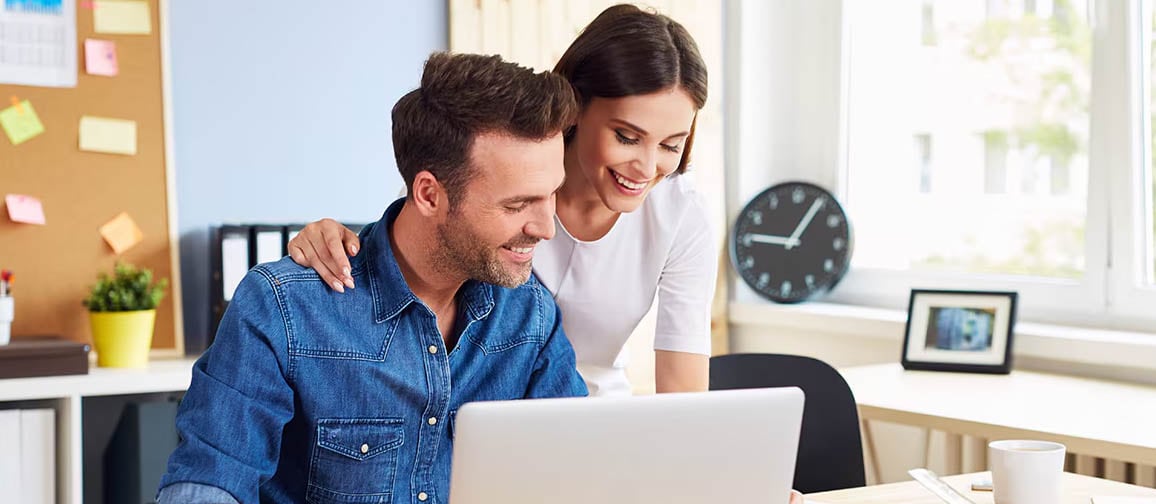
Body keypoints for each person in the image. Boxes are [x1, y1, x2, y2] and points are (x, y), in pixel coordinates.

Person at [156, 52, 587, 504]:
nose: (545, 227)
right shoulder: (283, 310)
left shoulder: (530, 316)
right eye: (517, 205)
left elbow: (576, 473)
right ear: (428, 194)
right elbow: (210, 481)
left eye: (550, 195)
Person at [291, 3, 716, 397]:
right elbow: (413, 249)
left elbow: (684, 393)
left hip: (589, 416)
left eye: (671, 145)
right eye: (626, 137)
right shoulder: (493, 170)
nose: (646, 167)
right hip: (477, 408)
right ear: (577, 107)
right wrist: (336, 242)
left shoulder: (680, 213)